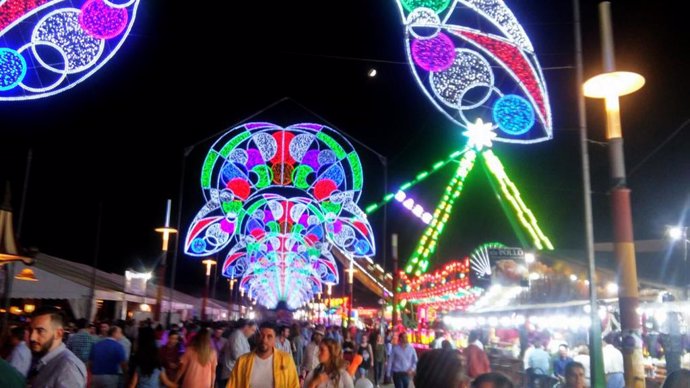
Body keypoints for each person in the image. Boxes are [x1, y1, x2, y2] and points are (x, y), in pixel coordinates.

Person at [27, 306, 87, 388]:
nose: (32, 337)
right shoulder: (45, 359)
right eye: (31, 330)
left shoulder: (68, 368)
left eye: (40, 331)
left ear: (58, 333)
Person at [228, 321, 300, 388]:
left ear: (275, 340)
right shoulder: (242, 361)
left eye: (269, 336)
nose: (264, 340)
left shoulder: (286, 360)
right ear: (256, 337)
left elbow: (294, 385)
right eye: (261, 335)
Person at [219, 319, 255, 387]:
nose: (253, 333)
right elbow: (237, 355)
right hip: (231, 373)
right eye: (252, 330)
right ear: (246, 327)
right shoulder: (237, 336)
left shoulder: (243, 337)